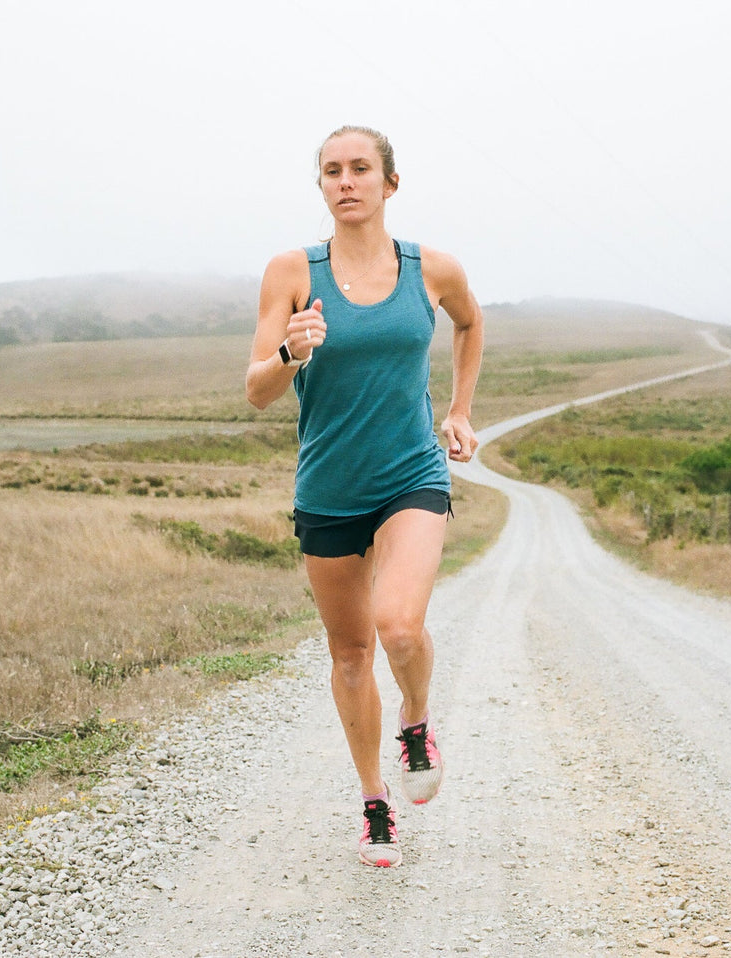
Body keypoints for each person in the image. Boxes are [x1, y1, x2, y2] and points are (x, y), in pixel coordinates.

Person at [246, 125, 484, 867]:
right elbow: (256, 391)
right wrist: (292, 350)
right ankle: (374, 802)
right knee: (349, 653)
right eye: (330, 172)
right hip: (327, 488)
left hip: (409, 474)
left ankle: (416, 718)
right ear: (320, 186)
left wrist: (459, 409)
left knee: (398, 628)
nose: (345, 181)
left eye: (359, 169)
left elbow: (470, 324)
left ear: (389, 182)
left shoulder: (431, 269)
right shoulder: (291, 271)